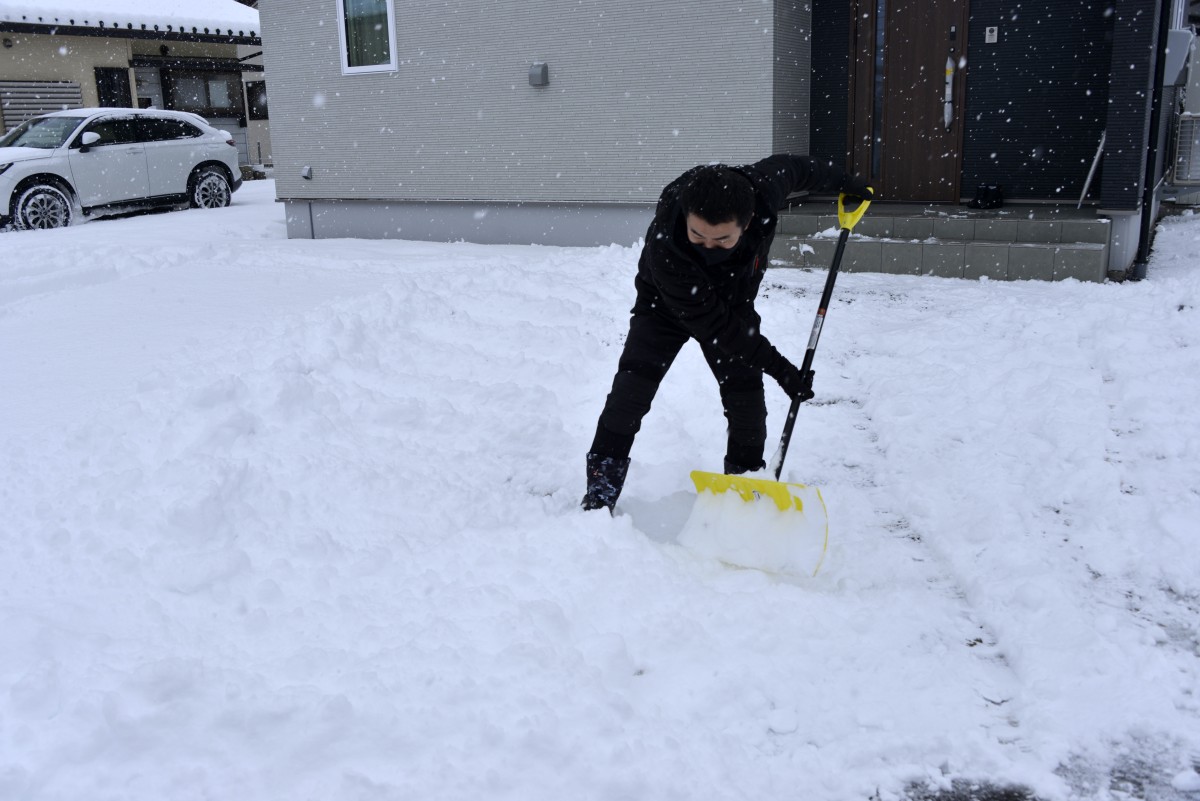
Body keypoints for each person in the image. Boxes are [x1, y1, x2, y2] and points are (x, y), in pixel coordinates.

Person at [582, 154, 872, 513]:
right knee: (631, 391)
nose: (707, 247)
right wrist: (782, 369)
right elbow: (719, 328)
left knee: (746, 398)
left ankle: (744, 493)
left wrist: (848, 182)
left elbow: (801, 170)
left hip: (733, 303)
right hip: (664, 307)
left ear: (747, 222)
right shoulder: (668, 249)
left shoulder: (761, 190)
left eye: (722, 239)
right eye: (697, 235)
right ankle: (599, 496)